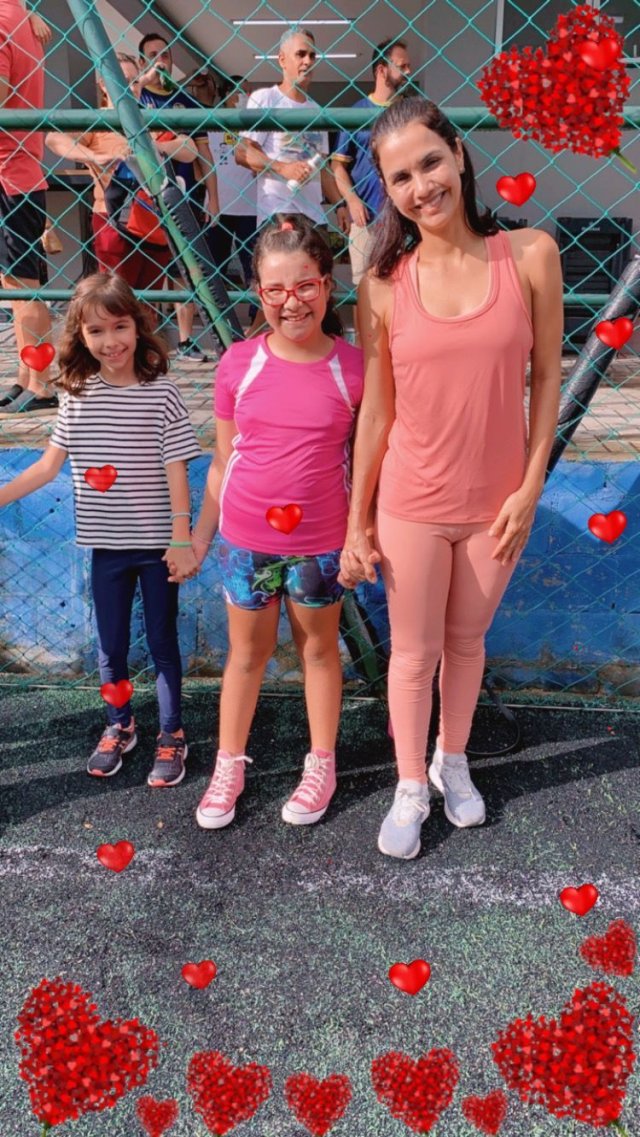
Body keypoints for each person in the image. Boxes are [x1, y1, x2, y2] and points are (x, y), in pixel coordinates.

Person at [339, 97, 562, 859]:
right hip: (412, 500)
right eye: (399, 177)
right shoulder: (383, 282)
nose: (420, 186)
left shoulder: (529, 254)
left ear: (459, 155)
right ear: (386, 191)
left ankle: (452, 759)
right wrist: (358, 520)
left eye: (430, 162)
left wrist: (530, 487)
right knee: (413, 653)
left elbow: (547, 379)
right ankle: (410, 783)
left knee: (467, 641)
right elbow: (376, 412)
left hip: (497, 503)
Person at [172, 216, 363, 831]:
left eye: (304, 285)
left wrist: (361, 535)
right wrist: (199, 538)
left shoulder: (354, 369)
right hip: (245, 544)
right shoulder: (238, 364)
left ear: (326, 284)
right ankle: (228, 764)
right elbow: (223, 461)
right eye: (276, 290)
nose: (291, 302)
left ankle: (322, 762)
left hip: (321, 546)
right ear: (259, 293)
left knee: (319, 652)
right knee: (246, 655)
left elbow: (368, 464)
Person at [0, 274, 202, 786]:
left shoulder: (162, 394)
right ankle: (120, 725)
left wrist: (181, 538)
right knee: (109, 647)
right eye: (96, 331)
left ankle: (173, 734)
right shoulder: (76, 396)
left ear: (138, 326)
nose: (110, 341)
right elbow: (47, 467)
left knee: (162, 642)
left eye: (119, 326)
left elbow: (177, 468)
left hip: (158, 548)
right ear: (81, 337)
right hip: (106, 550)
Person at [45, 55, 198, 297]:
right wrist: (93, 156)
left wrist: (157, 147)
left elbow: (190, 149)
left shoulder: (148, 117)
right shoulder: (96, 121)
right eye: (121, 81)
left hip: (151, 217)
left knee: (148, 301)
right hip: (113, 218)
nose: (130, 88)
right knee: (117, 298)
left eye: (135, 81)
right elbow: (54, 139)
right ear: (103, 85)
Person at [138, 32, 220, 363]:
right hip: (144, 197)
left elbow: (205, 155)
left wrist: (214, 198)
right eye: (152, 54)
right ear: (143, 60)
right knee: (146, 268)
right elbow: (117, 106)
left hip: (184, 195)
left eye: (165, 54)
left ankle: (186, 340)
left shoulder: (187, 101)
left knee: (184, 267)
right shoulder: (137, 96)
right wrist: (143, 80)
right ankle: (144, 340)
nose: (160, 60)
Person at [236, 29, 348, 236]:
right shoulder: (266, 98)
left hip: (315, 217)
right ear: (282, 60)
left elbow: (322, 168)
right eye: (300, 54)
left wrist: (339, 205)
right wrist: (283, 168)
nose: (308, 61)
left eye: (312, 56)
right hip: (278, 213)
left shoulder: (317, 111)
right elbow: (242, 153)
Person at [0, 0, 55, 413]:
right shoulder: (19, 16)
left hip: (10, 172)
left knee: (22, 286)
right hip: (19, 169)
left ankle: (42, 384)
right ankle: (28, 377)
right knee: (18, 285)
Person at [331, 38, 412, 322]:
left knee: (402, 287)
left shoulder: (410, 113)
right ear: (381, 70)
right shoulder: (356, 113)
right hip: (365, 218)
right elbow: (338, 166)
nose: (409, 71)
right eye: (402, 66)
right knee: (363, 290)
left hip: (403, 217)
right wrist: (351, 200)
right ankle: (363, 345)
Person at [206, 76, 257, 319]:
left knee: (254, 267)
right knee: (215, 266)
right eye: (240, 91)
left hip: (251, 207)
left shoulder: (256, 125)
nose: (245, 96)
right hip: (219, 207)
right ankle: (217, 318)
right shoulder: (212, 121)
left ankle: (256, 317)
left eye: (248, 91)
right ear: (226, 94)